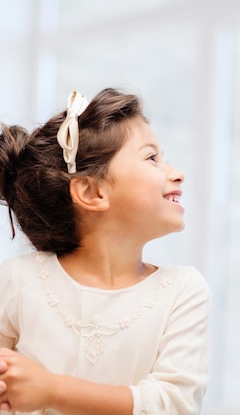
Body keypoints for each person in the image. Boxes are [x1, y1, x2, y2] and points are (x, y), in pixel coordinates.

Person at [0, 88, 211, 415]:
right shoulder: (16, 281)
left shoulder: (183, 292)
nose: (177, 173)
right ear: (92, 191)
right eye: (152, 158)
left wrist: (51, 390)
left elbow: (173, 404)